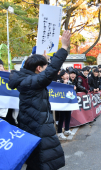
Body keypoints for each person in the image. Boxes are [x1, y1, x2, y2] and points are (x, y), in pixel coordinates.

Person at [8, 30, 71, 170]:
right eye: (44, 66)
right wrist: (64, 48)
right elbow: (51, 72)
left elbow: (47, 72)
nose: (47, 68)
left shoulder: (27, 79)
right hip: (38, 127)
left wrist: (44, 59)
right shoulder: (31, 82)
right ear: (38, 68)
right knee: (42, 161)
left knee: (38, 161)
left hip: (35, 125)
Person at [57, 70, 75, 140]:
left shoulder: (70, 82)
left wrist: (74, 89)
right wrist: (63, 84)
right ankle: (59, 132)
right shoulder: (59, 82)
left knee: (68, 116)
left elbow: (72, 92)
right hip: (61, 103)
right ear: (62, 76)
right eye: (65, 74)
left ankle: (67, 130)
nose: (67, 75)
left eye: (67, 74)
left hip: (68, 102)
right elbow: (57, 91)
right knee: (61, 117)